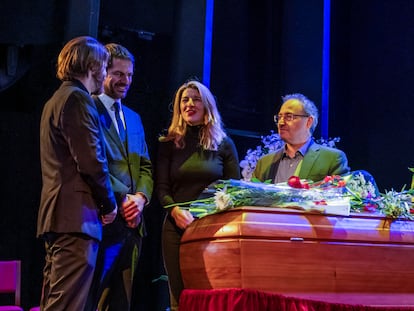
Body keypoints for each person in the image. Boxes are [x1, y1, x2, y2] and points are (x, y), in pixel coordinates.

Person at [37, 36, 118, 311]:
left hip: (60, 217)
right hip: (76, 219)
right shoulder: (77, 100)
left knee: (57, 301)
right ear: (93, 65)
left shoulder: (57, 99)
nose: (105, 74)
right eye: (105, 66)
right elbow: (92, 162)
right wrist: (109, 203)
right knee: (67, 305)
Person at [156, 80, 241, 310]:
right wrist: (175, 210)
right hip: (176, 227)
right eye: (185, 100)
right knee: (180, 297)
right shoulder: (168, 143)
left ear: (207, 106)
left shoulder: (224, 143)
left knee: (209, 294)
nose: (190, 104)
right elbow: (161, 188)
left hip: (213, 230)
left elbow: (235, 188)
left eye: (196, 99)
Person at [85, 43, 153, 311]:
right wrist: (124, 198)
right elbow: (93, 163)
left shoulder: (134, 118)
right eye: (118, 73)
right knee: (93, 299)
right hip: (104, 219)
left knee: (121, 303)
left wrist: (141, 197)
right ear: (103, 72)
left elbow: (145, 166)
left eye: (130, 75)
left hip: (133, 226)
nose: (125, 80)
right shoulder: (88, 108)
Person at [253, 93, 350, 183]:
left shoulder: (332, 159)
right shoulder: (264, 162)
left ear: (309, 122)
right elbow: (250, 197)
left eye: (289, 117)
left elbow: (340, 196)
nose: (281, 123)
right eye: (279, 117)